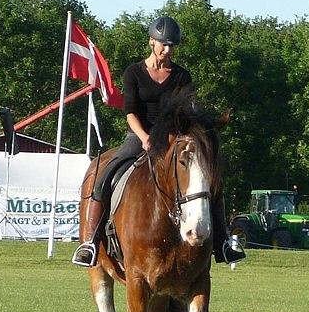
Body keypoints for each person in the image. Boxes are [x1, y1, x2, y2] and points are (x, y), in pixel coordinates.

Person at [72, 16, 245, 267]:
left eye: (172, 46)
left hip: (173, 140)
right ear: (151, 42)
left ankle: (223, 243)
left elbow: (187, 113)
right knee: (104, 177)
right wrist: (144, 138)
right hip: (139, 137)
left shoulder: (182, 76)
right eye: (163, 44)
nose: (168, 50)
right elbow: (130, 112)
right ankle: (89, 243)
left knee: (210, 183)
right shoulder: (133, 72)